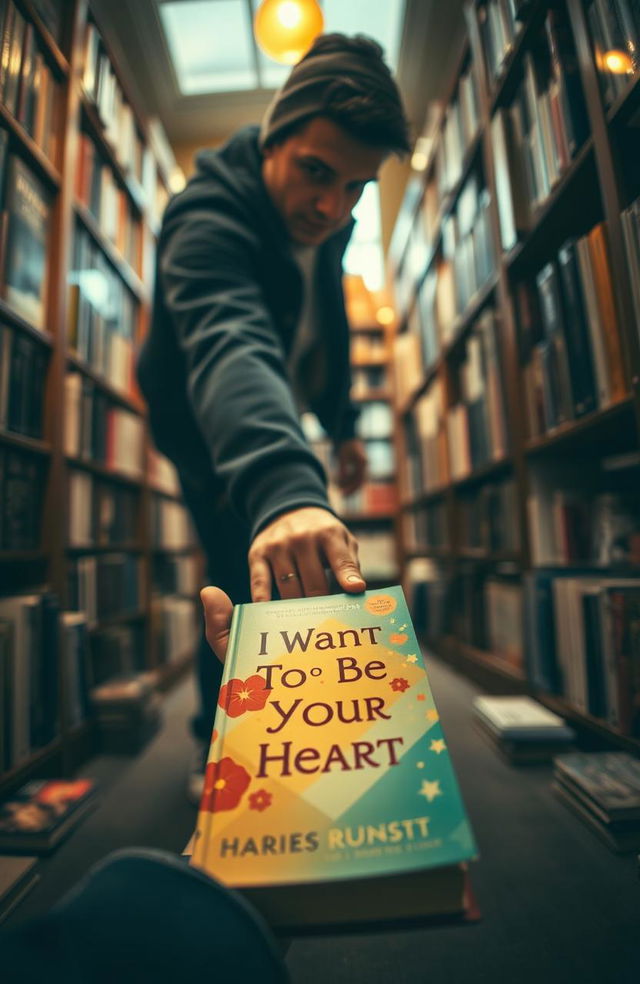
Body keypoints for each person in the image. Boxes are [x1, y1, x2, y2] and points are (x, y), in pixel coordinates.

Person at [136, 33, 411, 801]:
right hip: (200, 426)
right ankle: (214, 743)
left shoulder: (330, 220)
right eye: (317, 173)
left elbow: (319, 326)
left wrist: (347, 424)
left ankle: (290, 736)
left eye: (358, 186)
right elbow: (231, 342)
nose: (333, 207)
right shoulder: (203, 218)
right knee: (232, 570)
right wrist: (287, 489)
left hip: (276, 410)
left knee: (260, 570)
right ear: (274, 137)